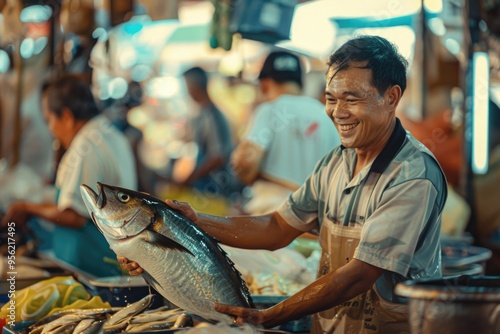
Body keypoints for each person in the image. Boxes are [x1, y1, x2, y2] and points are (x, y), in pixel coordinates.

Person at [119, 35, 448, 333]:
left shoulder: (412, 175)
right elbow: (277, 227)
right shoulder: (336, 162)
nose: (337, 112)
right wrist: (197, 221)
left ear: (391, 97)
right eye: (331, 99)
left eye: (351, 99)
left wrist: (272, 315)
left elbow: (361, 274)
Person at [1, 74, 138, 277]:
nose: (50, 129)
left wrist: (27, 207)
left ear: (66, 116)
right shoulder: (111, 134)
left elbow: (74, 216)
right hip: (110, 263)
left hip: (92, 267)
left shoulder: (85, 147)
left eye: (49, 120)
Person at [231, 50, 340, 214]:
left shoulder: (269, 110)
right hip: (314, 224)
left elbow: (245, 163)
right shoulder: (327, 116)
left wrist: (246, 173)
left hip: (270, 219)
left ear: (265, 84)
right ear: (300, 82)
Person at [170, 66, 242, 200]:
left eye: (187, 86)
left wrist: (192, 177)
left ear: (194, 86)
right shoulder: (202, 114)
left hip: (215, 190)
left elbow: (218, 157)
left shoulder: (213, 117)